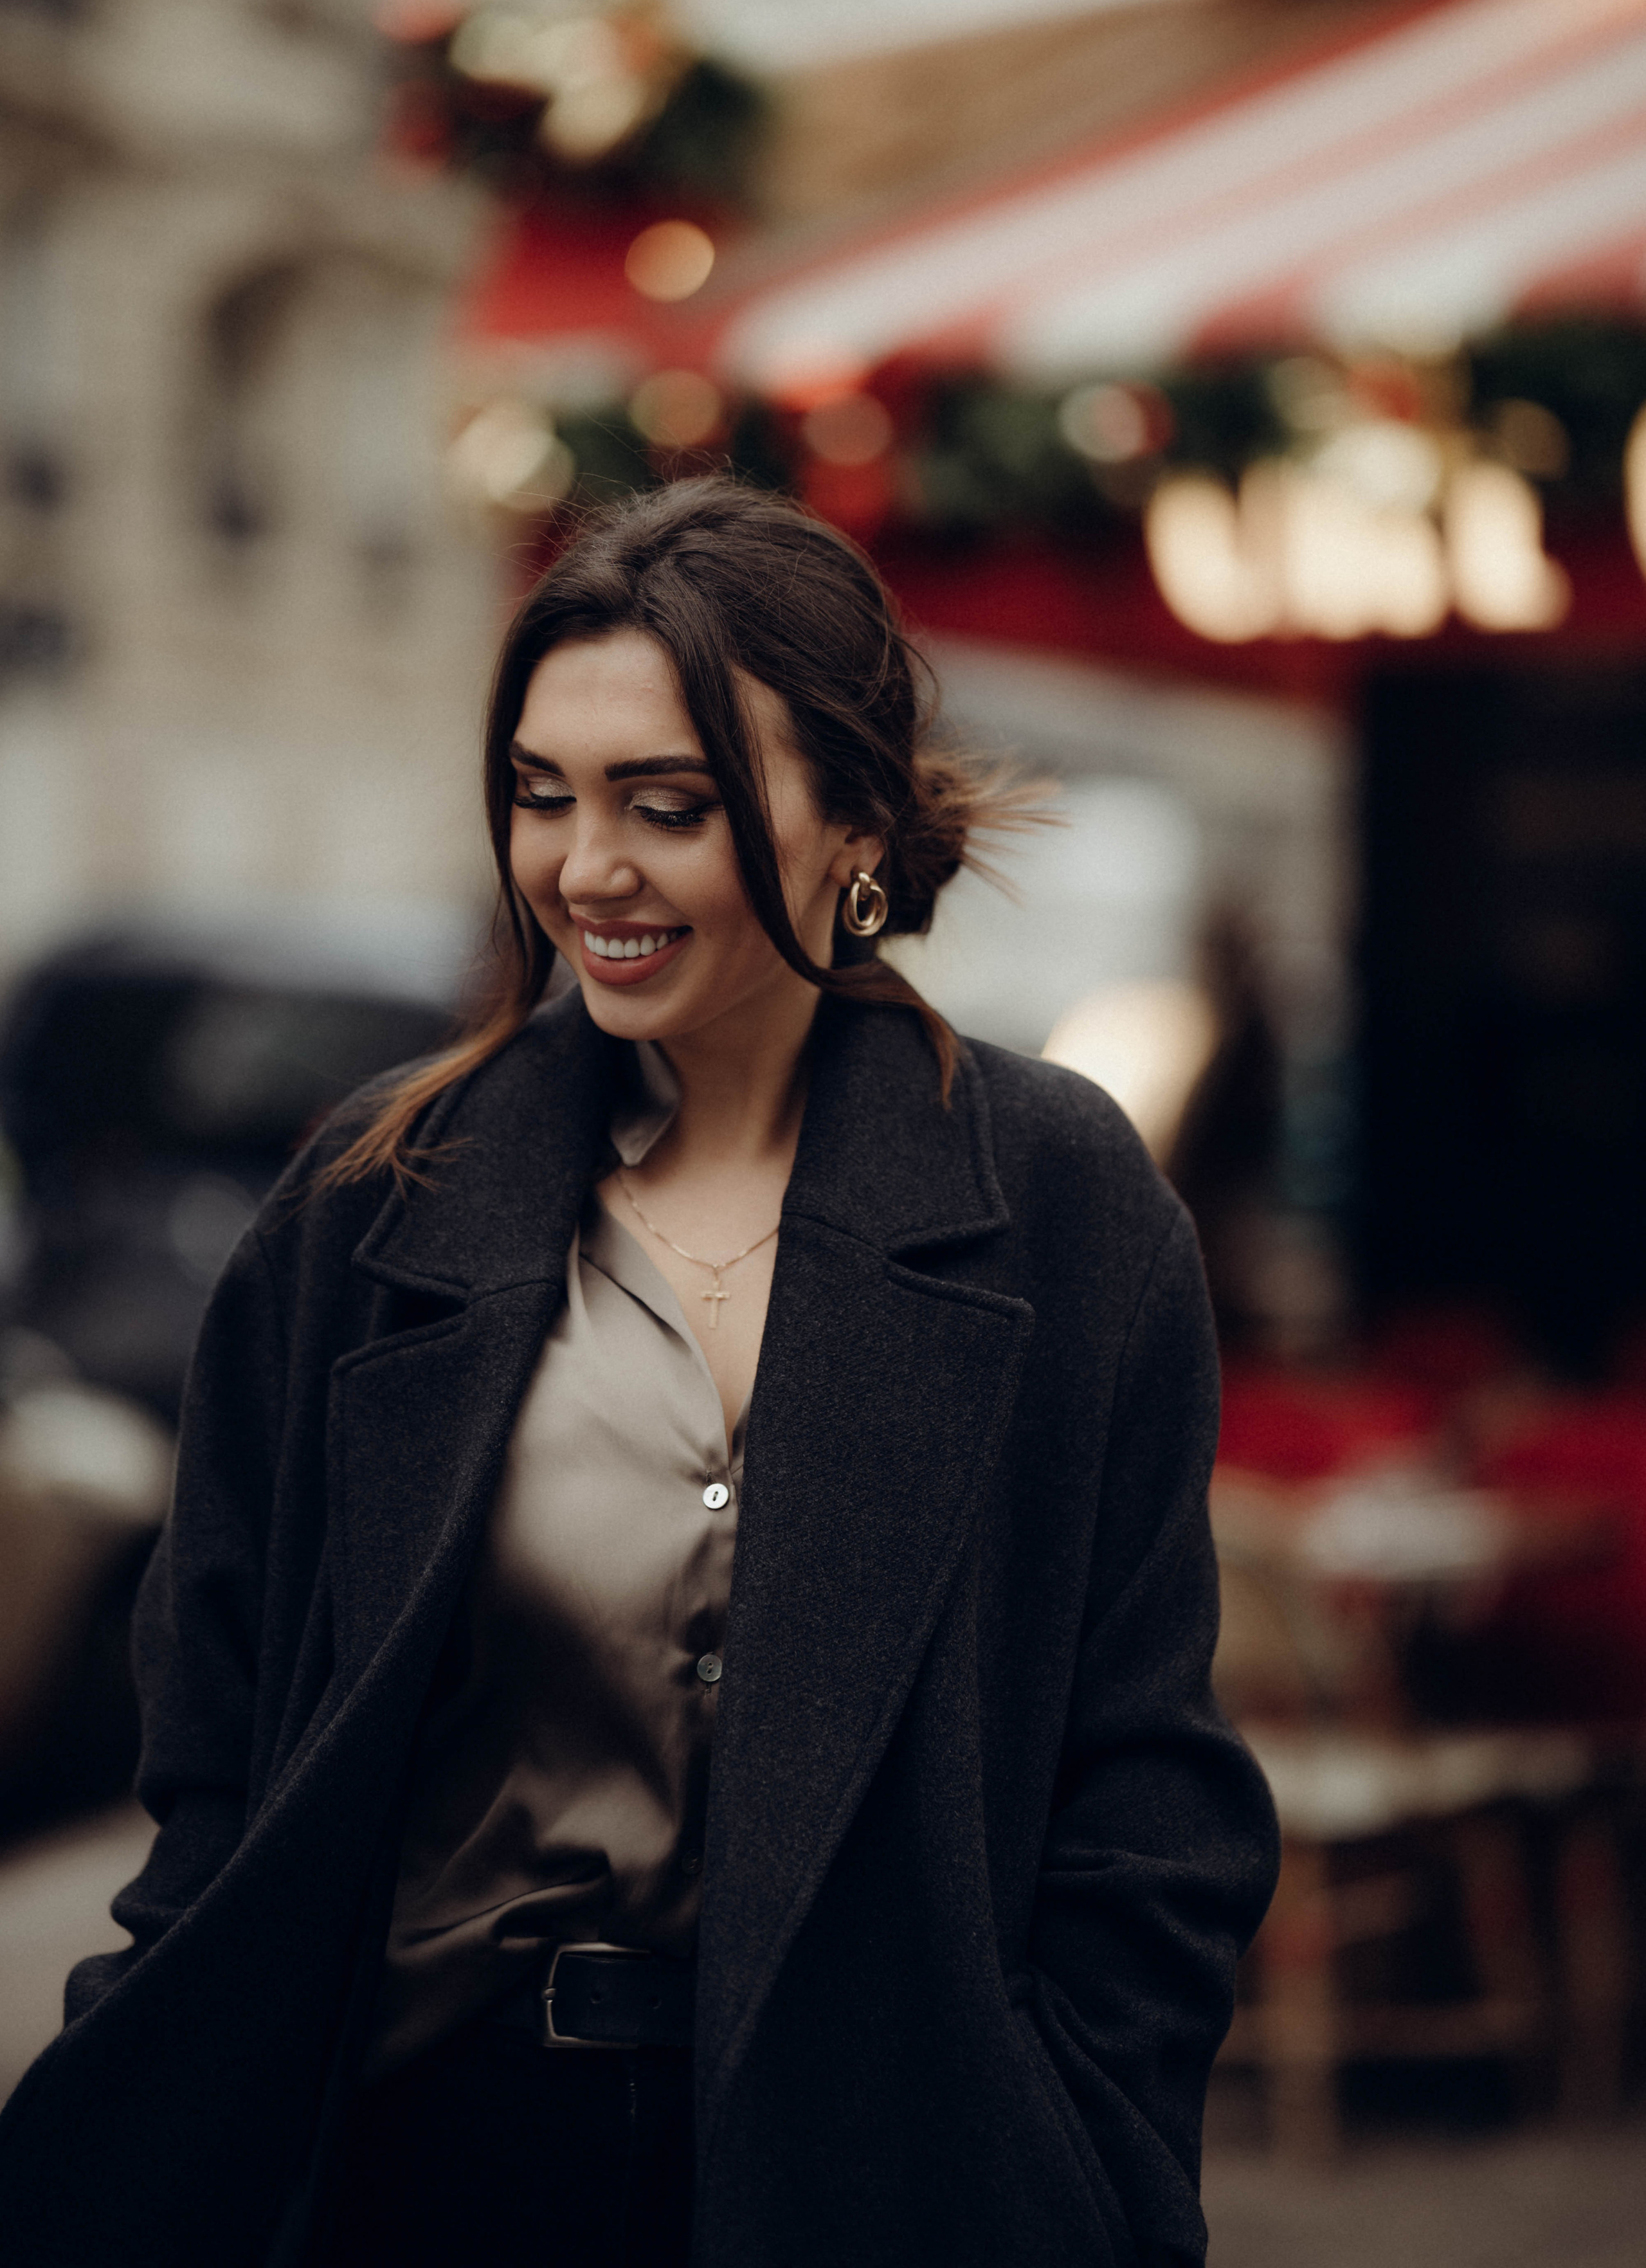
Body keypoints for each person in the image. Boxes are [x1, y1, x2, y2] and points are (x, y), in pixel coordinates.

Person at [0, 479, 1277, 2268]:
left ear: (854, 822)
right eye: (543, 796)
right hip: (417, 2169)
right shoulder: (372, 1203)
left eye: (664, 806)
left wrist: (1083, 2153)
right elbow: (217, 1754)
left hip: (887, 2175)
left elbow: (1148, 1785)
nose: (585, 867)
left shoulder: (1056, 1200)